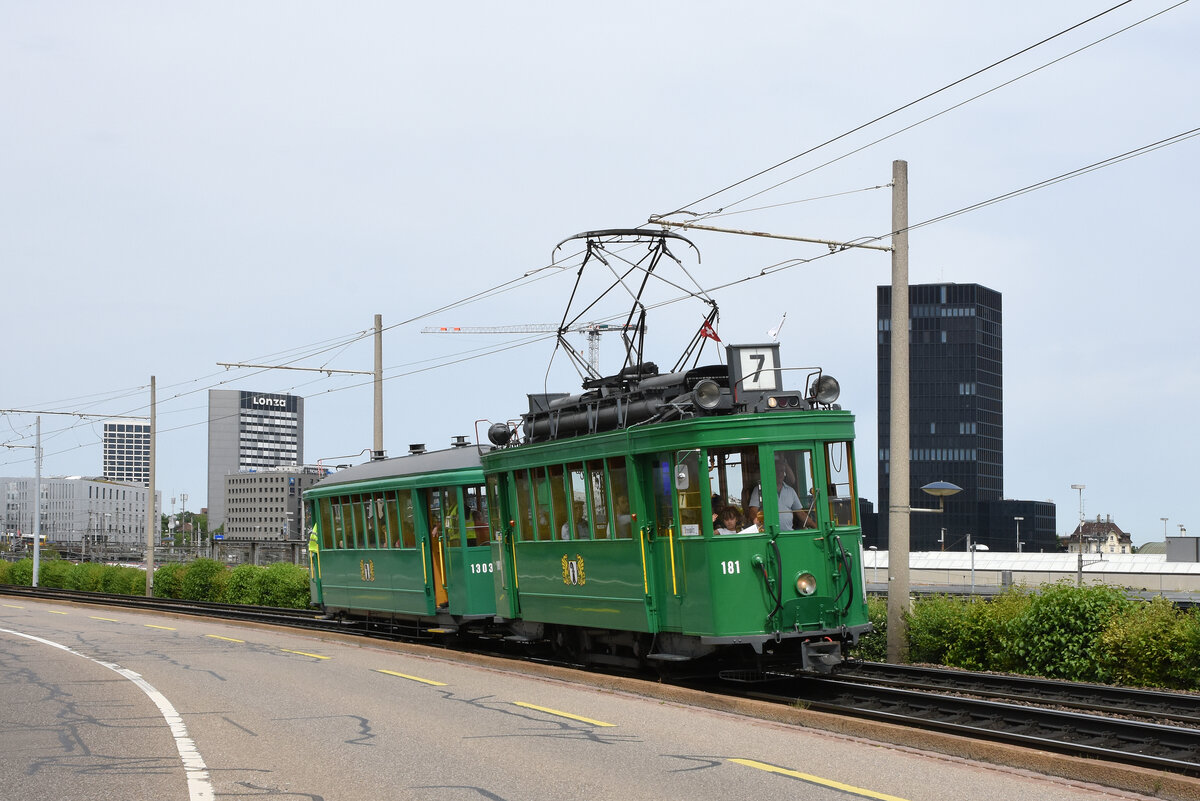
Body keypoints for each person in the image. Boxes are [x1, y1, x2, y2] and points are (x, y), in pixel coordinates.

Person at [749, 456, 816, 531]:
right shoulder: (760, 490)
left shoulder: (791, 491)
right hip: (768, 535)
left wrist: (815, 526)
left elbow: (800, 513)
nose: (780, 474)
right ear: (772, 472)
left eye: (782, 471)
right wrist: (756, 520)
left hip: (787, 534)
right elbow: (753, 510)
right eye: (777, 471)